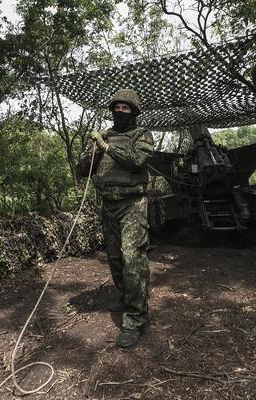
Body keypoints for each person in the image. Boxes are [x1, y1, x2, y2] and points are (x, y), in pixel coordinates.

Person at [77, 89, 154, 348]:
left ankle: (135, 317)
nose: (120, 112)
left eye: (125, 108)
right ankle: (126, 295)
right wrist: (93, 152)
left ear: (133, 112)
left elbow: (136, 161)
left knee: (133, 257)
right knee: (114, 257)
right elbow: (81, 170)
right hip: (108, 204)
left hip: (132, 204)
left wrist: (106, 147)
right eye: (117, 108)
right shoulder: (105, 135)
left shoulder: (141, 135)